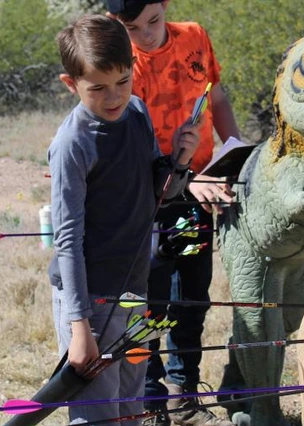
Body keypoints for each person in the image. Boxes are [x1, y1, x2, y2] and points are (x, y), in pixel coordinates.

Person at [49, 14, 199, 425]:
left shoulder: (136, 112)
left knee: (131, 407)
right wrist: (80, 329)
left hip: (135, 293)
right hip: (91, 301)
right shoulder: (72, 145)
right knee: (98, 413)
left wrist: (180, 161)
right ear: (71, 84)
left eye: (122, 81)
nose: (114, 96)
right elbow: (67, 241)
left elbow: (160, 191)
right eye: (98, 88)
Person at [106, 1, 240, 426]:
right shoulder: (118, 62)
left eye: (153, 21)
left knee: (192, 296)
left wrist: (233, 150)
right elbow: (131, 144)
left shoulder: (194, 36)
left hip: (198, 195)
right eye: (131, 27)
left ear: (165, 6)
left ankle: (185, 391)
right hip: (146, 198)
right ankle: (149, 397)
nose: (145, 35)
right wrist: (183, 177)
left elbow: (214, 97)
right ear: (114, 23)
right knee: (147, 302)